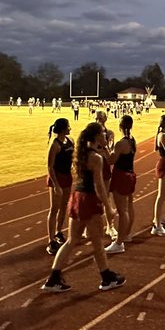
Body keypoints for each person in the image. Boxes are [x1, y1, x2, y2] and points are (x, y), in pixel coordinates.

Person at [42, 122, 124, 293]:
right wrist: (109, 207)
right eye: (103, 133)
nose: (106, 135)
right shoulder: (96, 158)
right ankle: (106, 277)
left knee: (72, 240)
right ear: (97, 136)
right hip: (89, 200)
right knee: (97, 242)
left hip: (77, 197)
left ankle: (53, 278)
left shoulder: (81, 154)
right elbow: (99, 185)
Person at [105, 115, 138, 255]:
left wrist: (105, 147)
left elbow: (111, 160)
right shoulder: (132, 140)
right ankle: (127, 234)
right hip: (130, 174)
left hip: (121, 176)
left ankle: (119, 242)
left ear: (120, 126)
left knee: (122, 210)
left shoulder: (120, 143)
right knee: (129, 205)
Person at [45, 118, 73, 254]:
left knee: (64, 206)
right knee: (54, 208)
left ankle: (59, 232)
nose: (70, 128)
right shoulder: (55, 145)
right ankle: (51, 241)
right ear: (63, 129)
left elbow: (72, 157)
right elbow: (50, 166)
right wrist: (56, 185)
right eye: (68, 126)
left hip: (67, 177)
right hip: (57, 178)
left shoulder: (70, 140)